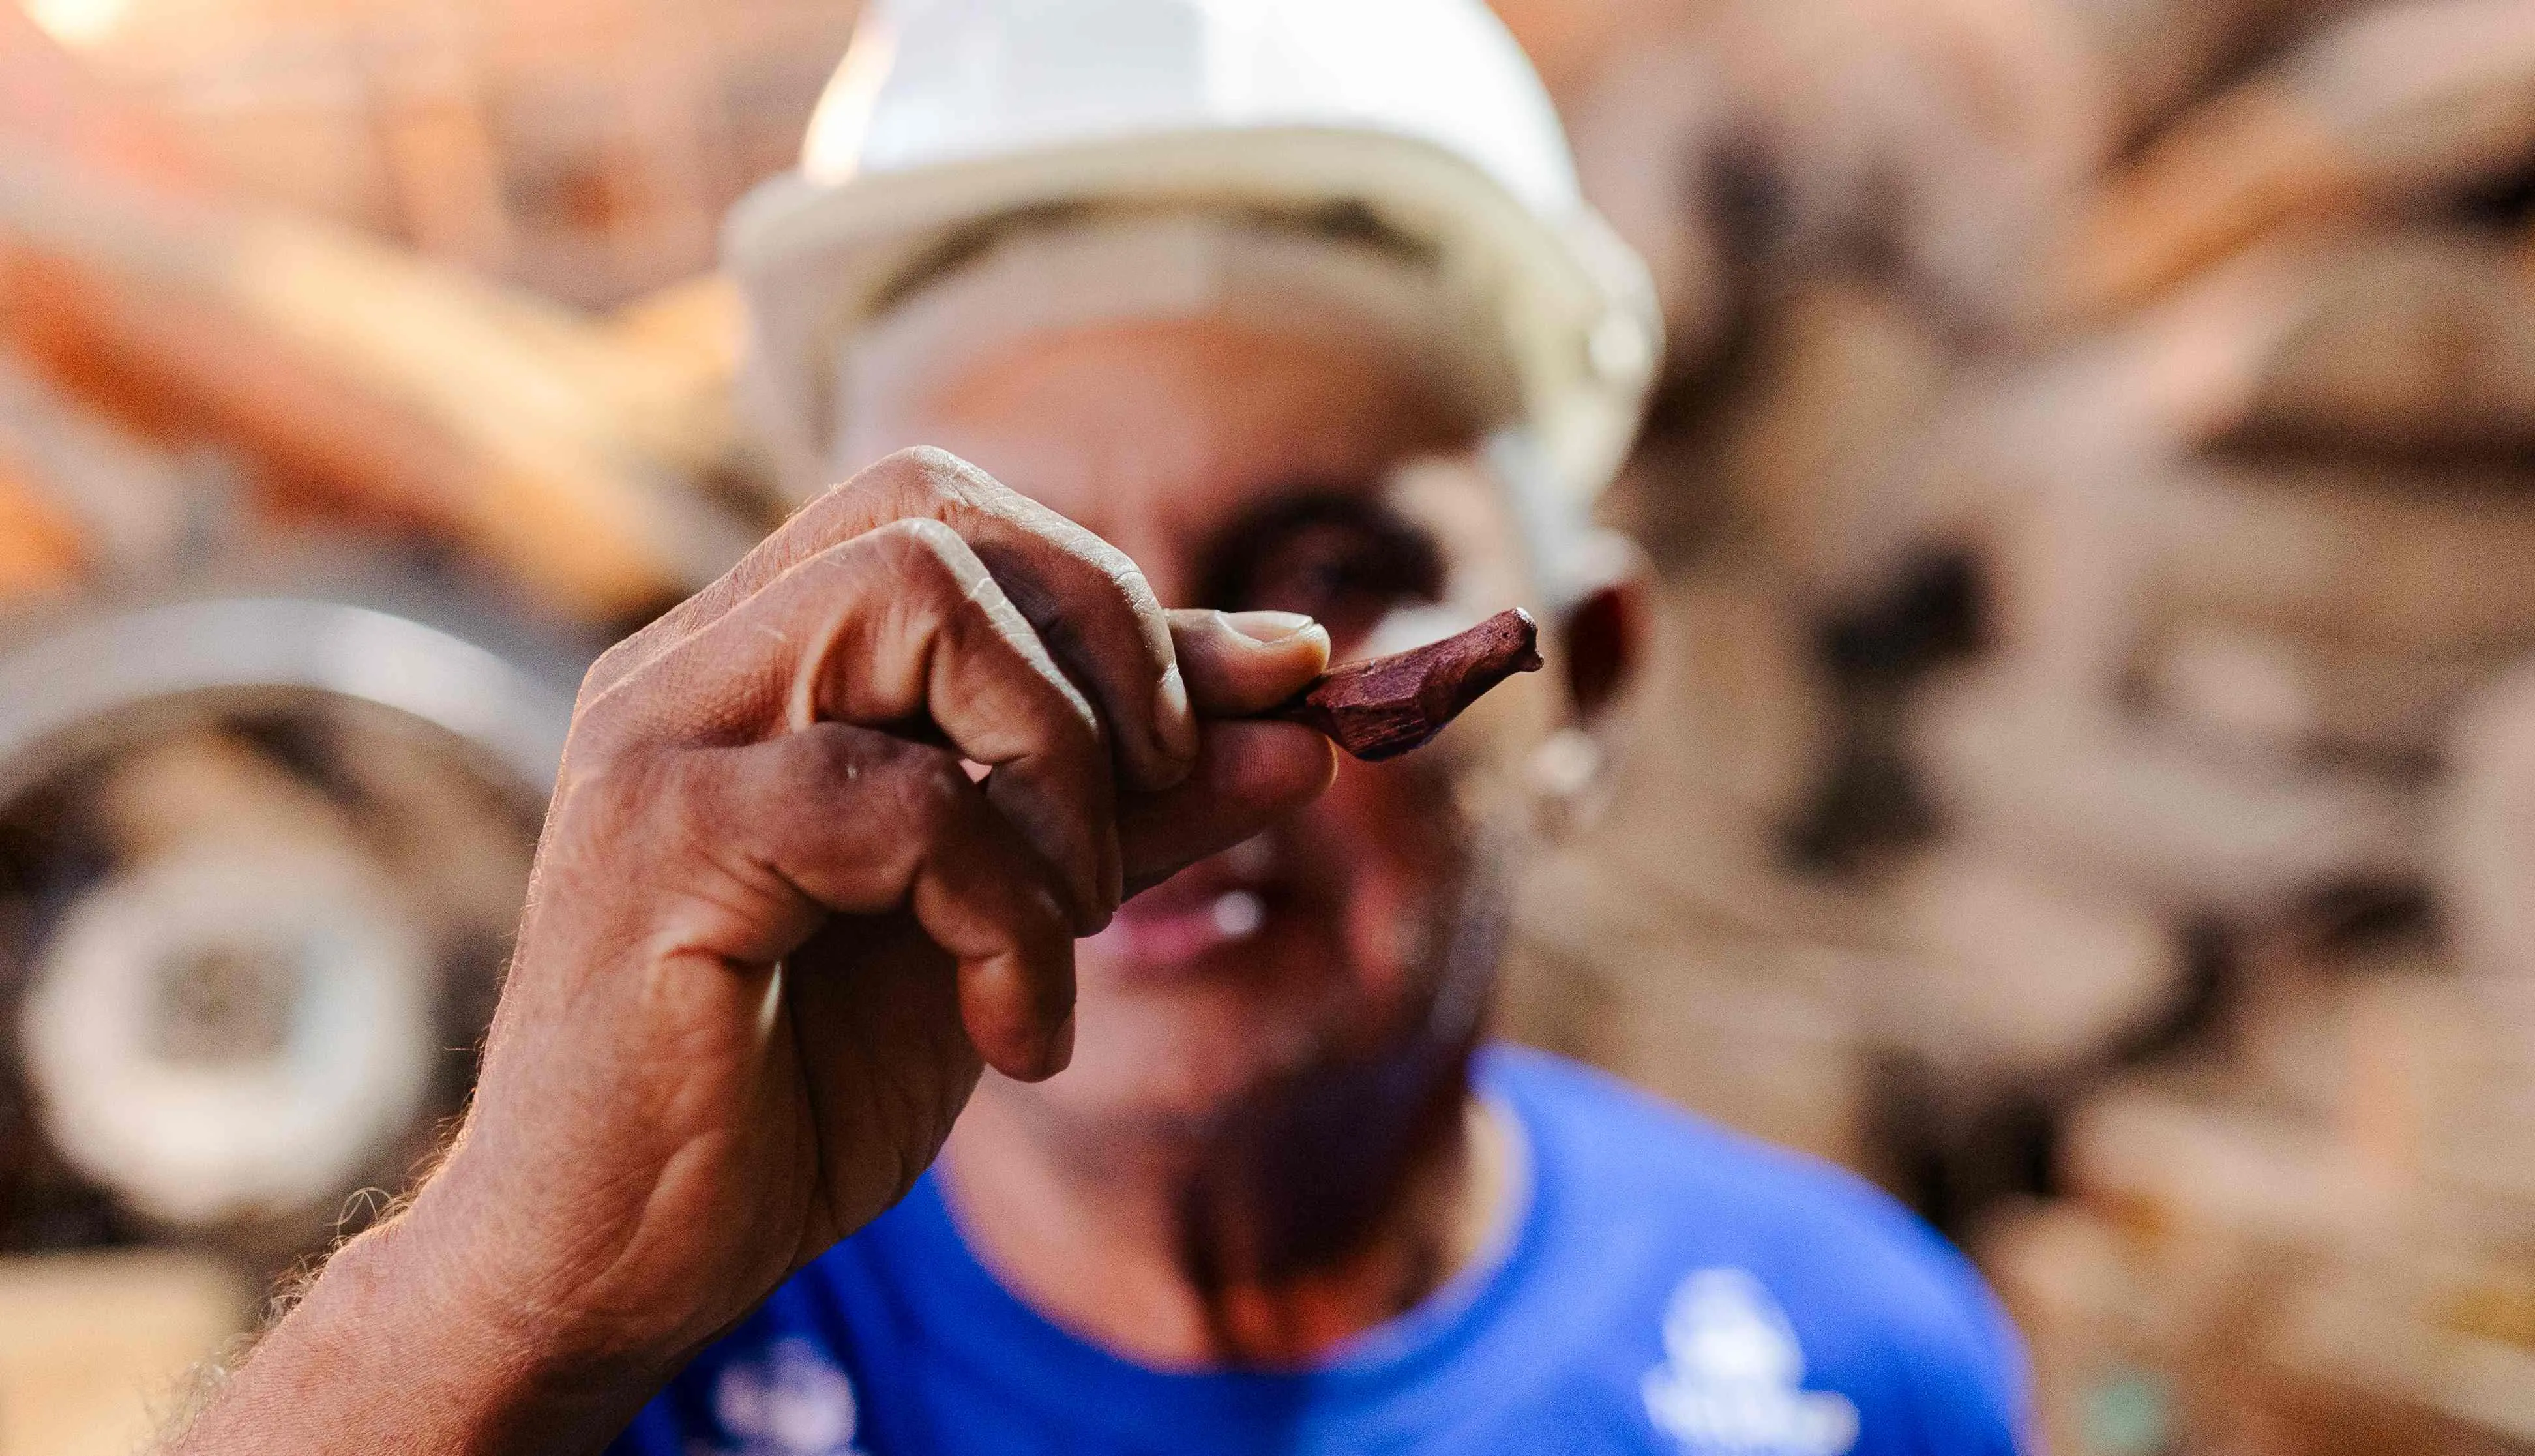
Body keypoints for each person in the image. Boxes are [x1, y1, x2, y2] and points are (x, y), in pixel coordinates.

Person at [170, 2, 2028, 1452]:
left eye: (1317, 569)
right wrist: (489, 1299)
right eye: (1004, 615)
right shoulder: (603, 1371)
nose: (1135, 740)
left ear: (1590, 677)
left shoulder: (1846, 1368)